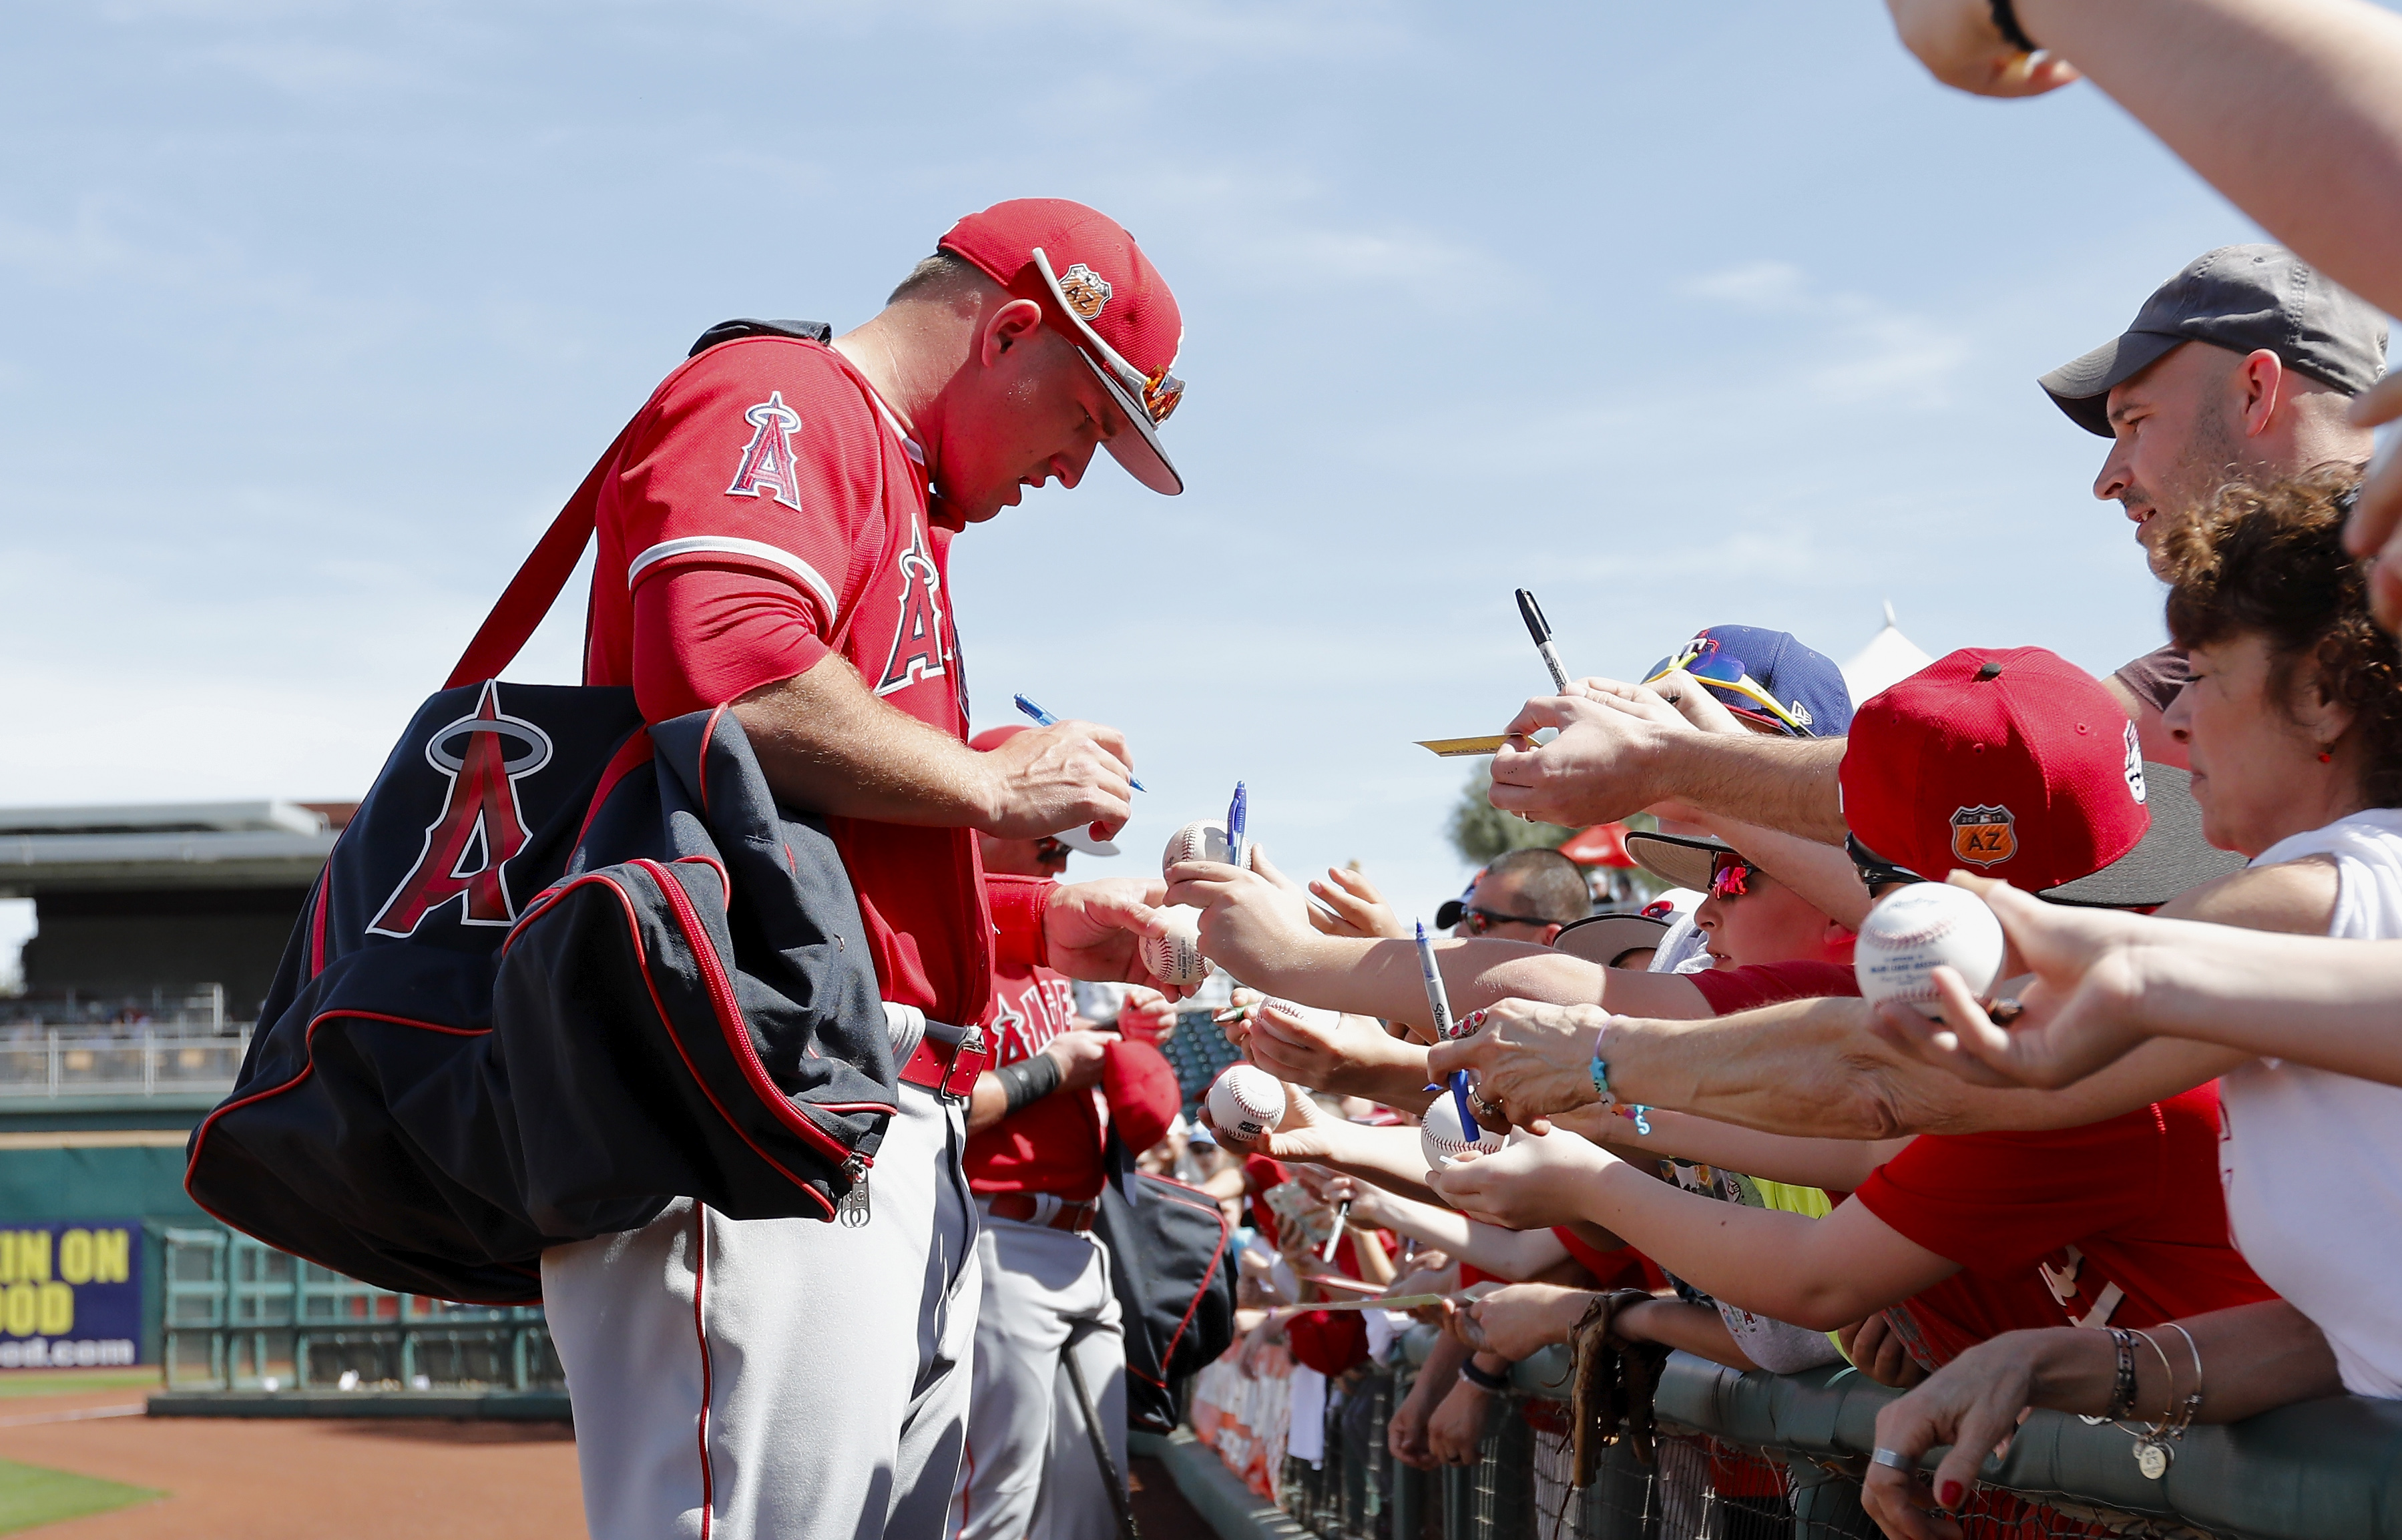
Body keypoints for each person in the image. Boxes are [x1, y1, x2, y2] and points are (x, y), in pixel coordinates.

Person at [1435, 468, 2402, 1404]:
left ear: (2321, 693)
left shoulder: (2313, 899)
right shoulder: (2316, 896)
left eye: (2209, 673)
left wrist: (1600, 1061)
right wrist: (2087, 1367)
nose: (2179, 714)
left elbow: (1892, 1081)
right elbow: (2345, 1332)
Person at [539, 198, 1194, 1540]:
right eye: (1082, 419)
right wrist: (1003, 784)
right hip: (754, 1096)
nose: (1074, 470)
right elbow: (725, 664)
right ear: (1012, 328)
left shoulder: (904, 492)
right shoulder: (779, 394)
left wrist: (1037, 920)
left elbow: (839, 847)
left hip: (875, 1106)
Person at [1478, 248, 2379, 832]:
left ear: (2256, 393)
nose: (2106, 477)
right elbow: (1986, 780)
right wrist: (1697, 757)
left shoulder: (2368, 594)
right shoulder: (2222, 648)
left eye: (2134, 420)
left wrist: (1677, 760)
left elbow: (1999, 773)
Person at [950, 726, 1183, 1540]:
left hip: (1082, 1243)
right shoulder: (934, 946)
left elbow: (1144, 1125)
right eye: (1047, 846)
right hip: (987, 1241)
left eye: (1065, 853)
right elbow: (925, 1113)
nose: (1061, 868)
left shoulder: (1062, 956)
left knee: (1093, 1508)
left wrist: (1136, 1046)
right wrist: (1051, 1071)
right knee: (996, 1505)